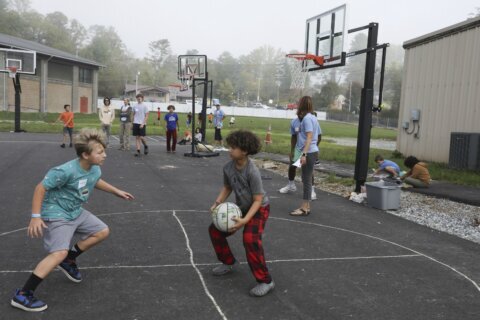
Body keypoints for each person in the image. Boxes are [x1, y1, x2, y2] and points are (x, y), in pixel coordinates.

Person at [10, 128, 134, 312]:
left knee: (102, 231)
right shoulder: (64, 171)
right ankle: (23, 294)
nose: (105, 155)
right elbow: (40, 188)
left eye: (104, 151)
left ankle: (69, 260)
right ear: (85, 154)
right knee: (57, 253)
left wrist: (116, 191)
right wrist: (35, 217)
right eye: (100, 152)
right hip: (57, 213)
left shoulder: (94, 168)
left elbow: (95, 180)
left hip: (75, 211)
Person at [209, 130, 274, 297]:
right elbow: (228, 187)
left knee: (250, 239)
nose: (229, 150)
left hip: (259, 208)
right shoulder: (228, 168)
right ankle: (228, 262)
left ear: (244, 151)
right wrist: (217, 203)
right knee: (214, 230)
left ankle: (266, 281)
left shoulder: (252, 171)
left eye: (233, 147)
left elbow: (258, 200)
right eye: (229, 146)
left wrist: (244, 220)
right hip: (242, 208)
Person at [289, 96, 320, 216]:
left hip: (309, 152)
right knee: (306, 179)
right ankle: (306, 206)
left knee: (306, 180)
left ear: (302, 104)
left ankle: (304, 208)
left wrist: (304, 154)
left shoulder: (307, 119)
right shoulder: (312, 117)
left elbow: (309, 137)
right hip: (311, 151)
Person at [279, 114, 321, 200]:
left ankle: (312, 190)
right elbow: (293, 136)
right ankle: (291, 185)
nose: (300, 113)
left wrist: (314, 147)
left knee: (308, 171)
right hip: (298, 149)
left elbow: (319, 136)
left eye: (302, 111)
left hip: (309, 150)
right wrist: (292, 151)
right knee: (292, 167)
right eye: (298, 112)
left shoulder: (312, 120)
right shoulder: (294, 122)